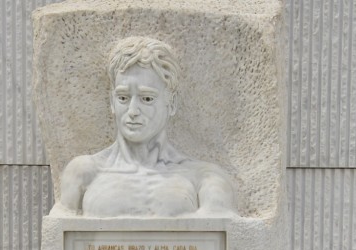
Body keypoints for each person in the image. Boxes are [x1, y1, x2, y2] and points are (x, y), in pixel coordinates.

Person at [54, 36, 236, 218]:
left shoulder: (206, 178)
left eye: (147, 99)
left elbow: (222, 236)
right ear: (112, 101)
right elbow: (59, 235)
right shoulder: (83, 173)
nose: (132, 111)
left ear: (171, 103)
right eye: (123, 98)